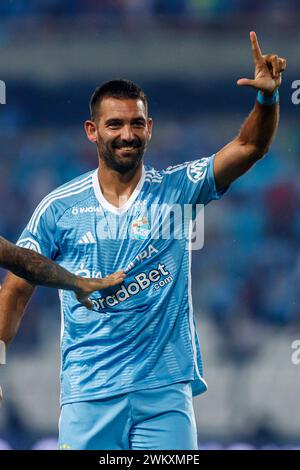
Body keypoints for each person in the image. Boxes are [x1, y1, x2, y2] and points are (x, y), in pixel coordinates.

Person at [0, 32, 286, 450]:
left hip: (164, 394)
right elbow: (16, 287)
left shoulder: (177, 189)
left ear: (149, 128)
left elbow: (249, 146)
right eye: (114, 124)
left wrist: (267, 101)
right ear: (92, 131)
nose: (127, 134)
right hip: (88, 393)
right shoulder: (58, 208)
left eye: (136, 123)